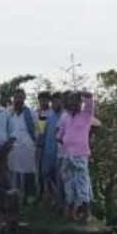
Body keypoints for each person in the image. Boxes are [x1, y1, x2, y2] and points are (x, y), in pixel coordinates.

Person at [57, 91, 96, 222]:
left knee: (82, 182)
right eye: (71, 101)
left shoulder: (86, 115)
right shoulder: (65, 116)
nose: (73, 104)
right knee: (68, 181)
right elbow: (60, 133)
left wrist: (83, 94)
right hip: (67, 154)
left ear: (80, 103)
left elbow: (90, 101)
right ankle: (70, 211)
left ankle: (86, 213)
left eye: (76, 101)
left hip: (80, 154)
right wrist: (60, 139)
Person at [7, 88, 38, 204]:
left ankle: (29, 196)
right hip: (13, 148)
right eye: (16, 97)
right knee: (13, 173)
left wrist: (34, 142)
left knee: (29, 172)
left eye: (21, 97)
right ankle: (15, 197)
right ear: (13, 99)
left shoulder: (31, 113)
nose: (18, 100)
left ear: (24, 98)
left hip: (27, 147)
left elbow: (37, 131)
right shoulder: (8, 113)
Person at [40, 92, 64, 208]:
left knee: (59, 178)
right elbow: (41, 132)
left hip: (61, 154)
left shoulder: (65, 116)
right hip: (47, 152)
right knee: (46, 175)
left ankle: (59, 202)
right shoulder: (45, 115)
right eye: (53, 101)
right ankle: (49, 199)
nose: (55, 103)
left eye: (57, 101)